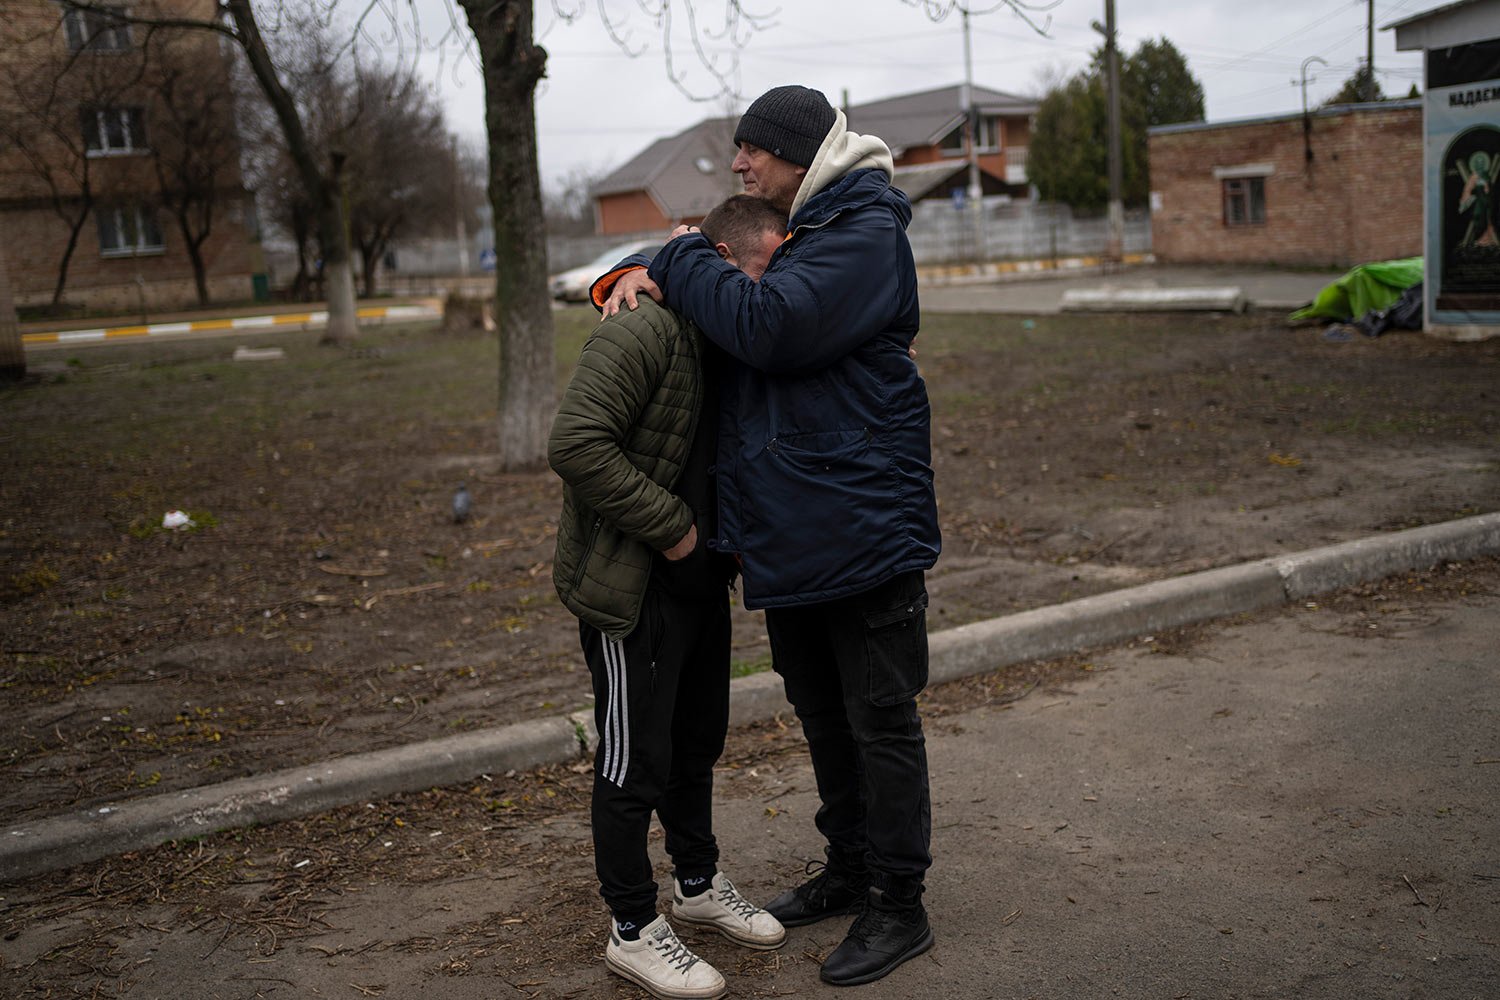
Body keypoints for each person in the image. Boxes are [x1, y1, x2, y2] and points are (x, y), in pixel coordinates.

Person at [598, 85, 941, 987]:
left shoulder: (866, 234)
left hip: (863, 533)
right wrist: (638, 265)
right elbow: (727, 252)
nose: (741, 166)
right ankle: (852, 868)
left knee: (881, 723)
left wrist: (677, 259)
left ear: (799, 153)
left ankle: (900, 904)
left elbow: (770, 324)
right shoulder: (805, 235)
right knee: (824, 719)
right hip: (796, 536)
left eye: (752, 152)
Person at [548, 193, 791, 1000]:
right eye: (759, 271)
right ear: (721, 263)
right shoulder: (645, 326)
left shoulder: (723, 335)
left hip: (700, 588)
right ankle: (631, 929)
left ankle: (694, 885)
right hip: (635, 590)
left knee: (695, 744)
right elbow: (577, 443)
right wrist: (676, 532)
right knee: (632, 760)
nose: (765, 292)